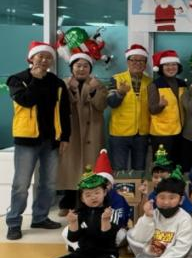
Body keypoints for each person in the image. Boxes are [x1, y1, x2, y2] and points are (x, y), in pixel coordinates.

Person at [99, 166, 192, 258]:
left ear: (181, 200)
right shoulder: (154, 213)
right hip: (151, 257)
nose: (166, 202)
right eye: (162, 197)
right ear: (155, 198)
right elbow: (138, 238)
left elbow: (179, 252)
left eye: (172, 198)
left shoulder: (185, 219)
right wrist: (148, 217)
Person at [6, 41, 71, 240]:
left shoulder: (56, 82)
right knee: (21, 184)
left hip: (51, 140)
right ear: (31, 57)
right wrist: (35, 80)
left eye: (48, 57)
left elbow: (64, 111)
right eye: (40, 56)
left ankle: (40, 217)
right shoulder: (17, 79)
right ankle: (14, 222)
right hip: (26, 139)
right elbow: (26, 101)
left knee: (49, 183)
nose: (44, 60)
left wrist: (65, 137)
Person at [47, 167, 119, 258]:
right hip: (84, 253)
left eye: (97, 193)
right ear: (82, 198)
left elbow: (106, 239)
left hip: (105, 254)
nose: (93, 197)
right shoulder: (79, 213)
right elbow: (73, 238)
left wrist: (105, 221)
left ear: (104, 192)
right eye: (88, 195)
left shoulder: (112, 212)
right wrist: (73, 222)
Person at [57, 53, 108, 213]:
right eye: (78, 66)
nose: (81, 69)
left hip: (92, 132)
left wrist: (93, 92)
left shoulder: (98, 84)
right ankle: (68, 202)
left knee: (90, 168)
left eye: (85, 66)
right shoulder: (63, 84)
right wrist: (71, 90)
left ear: (90, 69)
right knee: (70, 167)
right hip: (72, 131)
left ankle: (88, 201)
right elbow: (60, 105)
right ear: (72, 68)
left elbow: (101, 105)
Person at [107, 44, 151, 171]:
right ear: (128, 61)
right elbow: (111, 102)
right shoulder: (116, 79)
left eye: (141, 61)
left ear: (145, 64)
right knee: (119, 170)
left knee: (140, 170)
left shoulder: (150, 82)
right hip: (119, 133)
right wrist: (120, 93)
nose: (137, 63)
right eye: (134, 60)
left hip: (142, 133)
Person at [148, 50, 186, 165]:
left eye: (174, 64)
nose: (171, 68)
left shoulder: (182, 84)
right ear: (161, 67)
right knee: (162, 166)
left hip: (179, 131)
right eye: (167, 65)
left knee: (176, 166)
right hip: (161, 134)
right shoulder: (155, 85)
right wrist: (160, 105)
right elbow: (152, 110)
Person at [142, 146, 192, 216]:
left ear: (170, 176)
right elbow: (148, 213)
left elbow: (190, 212)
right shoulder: (152, 195)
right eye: (155, 177)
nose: (159, 180)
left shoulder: (178, 193)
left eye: (162, 177)